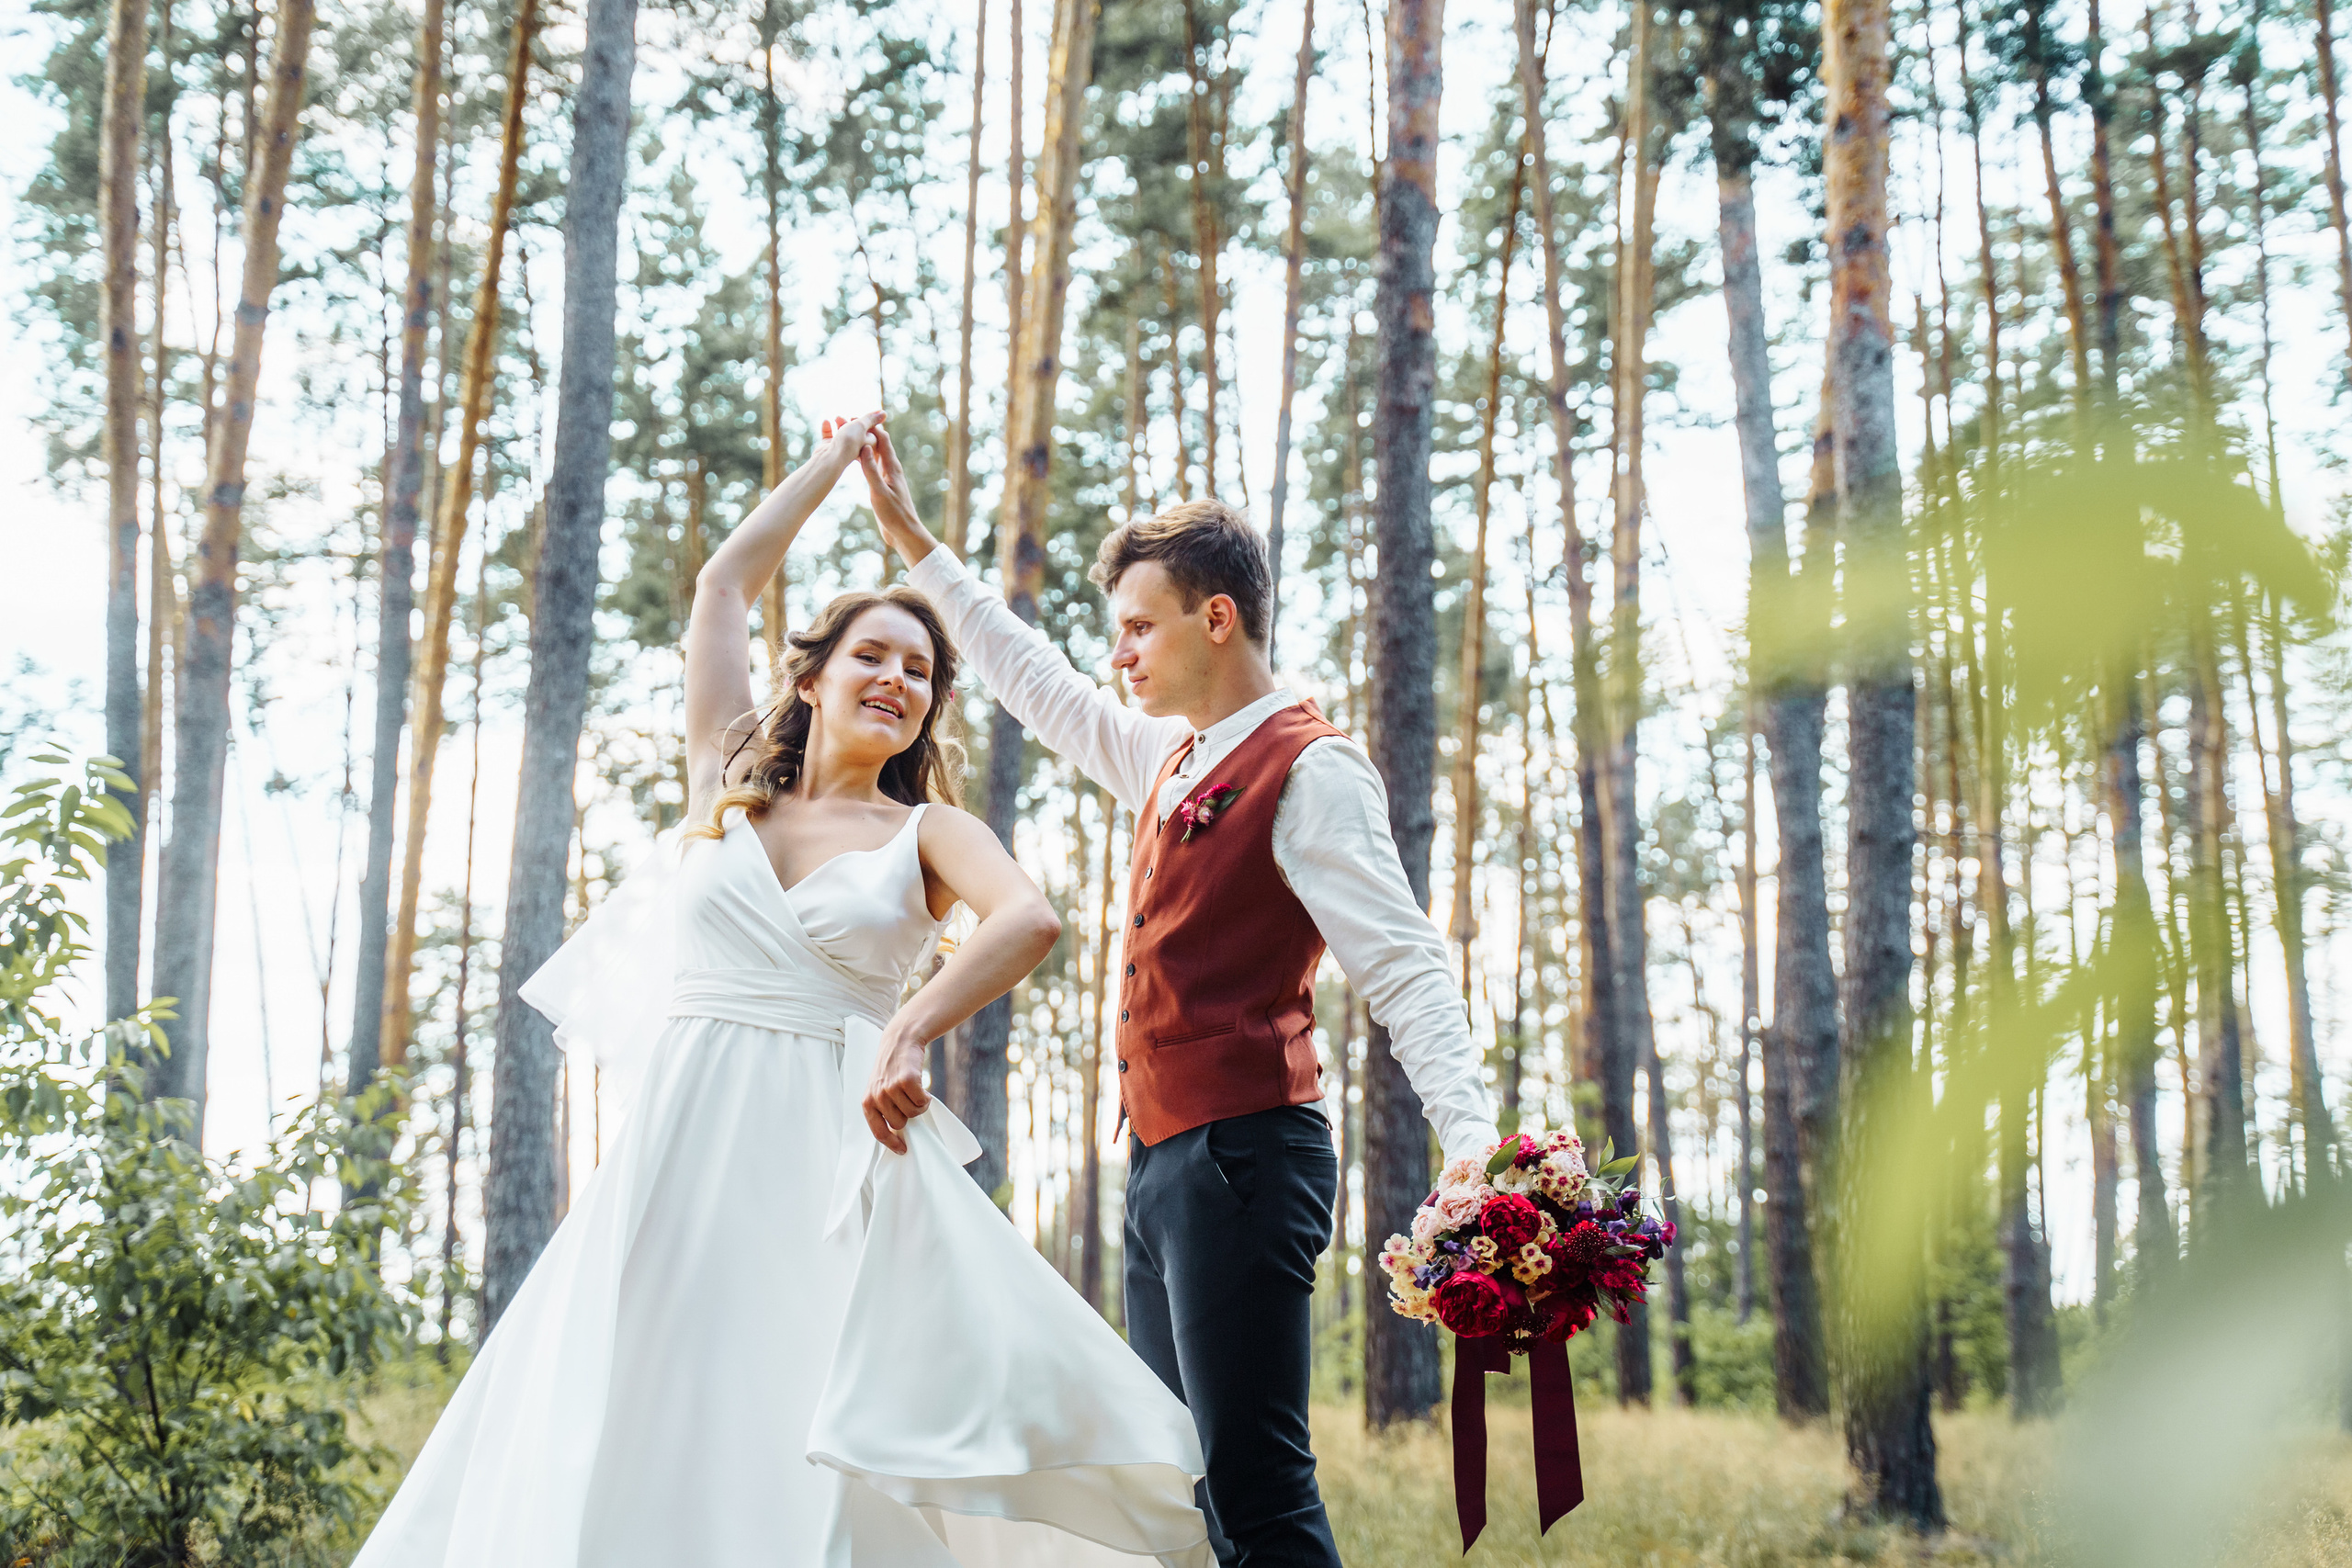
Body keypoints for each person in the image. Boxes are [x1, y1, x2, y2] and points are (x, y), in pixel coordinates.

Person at [353, 412, 1213, 1568]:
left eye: (920, 672)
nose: (897, 680)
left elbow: (1028, 919)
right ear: (809, 677)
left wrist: (910, 1028)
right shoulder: (726, 782)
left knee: (806, 1410)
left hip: (830, 1155)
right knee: (642, 1395)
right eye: (873, 656)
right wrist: (833, 463)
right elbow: (721, 586)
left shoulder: (928, 830)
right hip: (678, 1148)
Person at [854, 420, 1502, 1568]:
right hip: (1160, 1165)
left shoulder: (1311, 768)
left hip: (1247, 1157)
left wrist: (1472, 1145)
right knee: (1187, 1485)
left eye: (1139, 628)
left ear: (1218, 618)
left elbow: (1405, 966)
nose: (1120, 657)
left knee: (1256, 1490)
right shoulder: (1166, 756)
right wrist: (916, 544)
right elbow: (1030, 677)